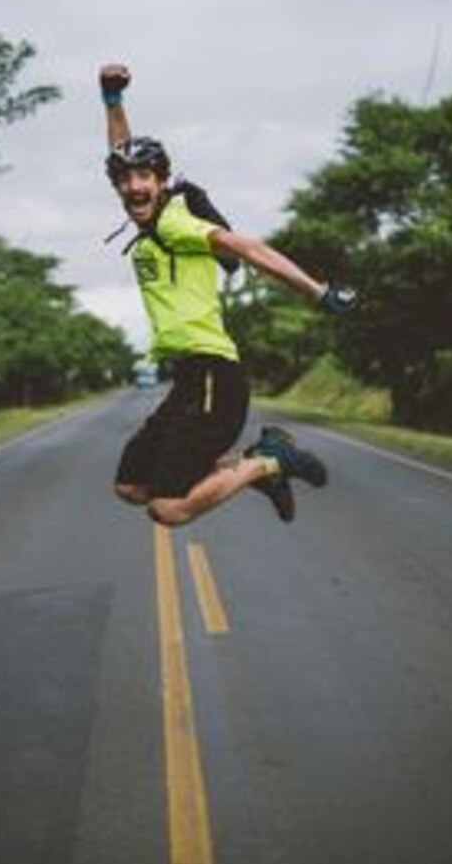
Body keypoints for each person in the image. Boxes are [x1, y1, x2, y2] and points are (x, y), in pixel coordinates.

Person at [101, 62, 356, 528]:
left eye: (144, 178)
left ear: (161, 182)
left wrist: (317, 291)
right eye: (125, 179)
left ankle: (268, 463)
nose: (134, 186)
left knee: (167, 507)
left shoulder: (176, 223)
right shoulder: (150, 218)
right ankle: (260, 463)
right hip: (189, 378)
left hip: (214, 376)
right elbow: (121, 152)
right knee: (132, 485)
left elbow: (249, 248)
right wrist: (113, 100)